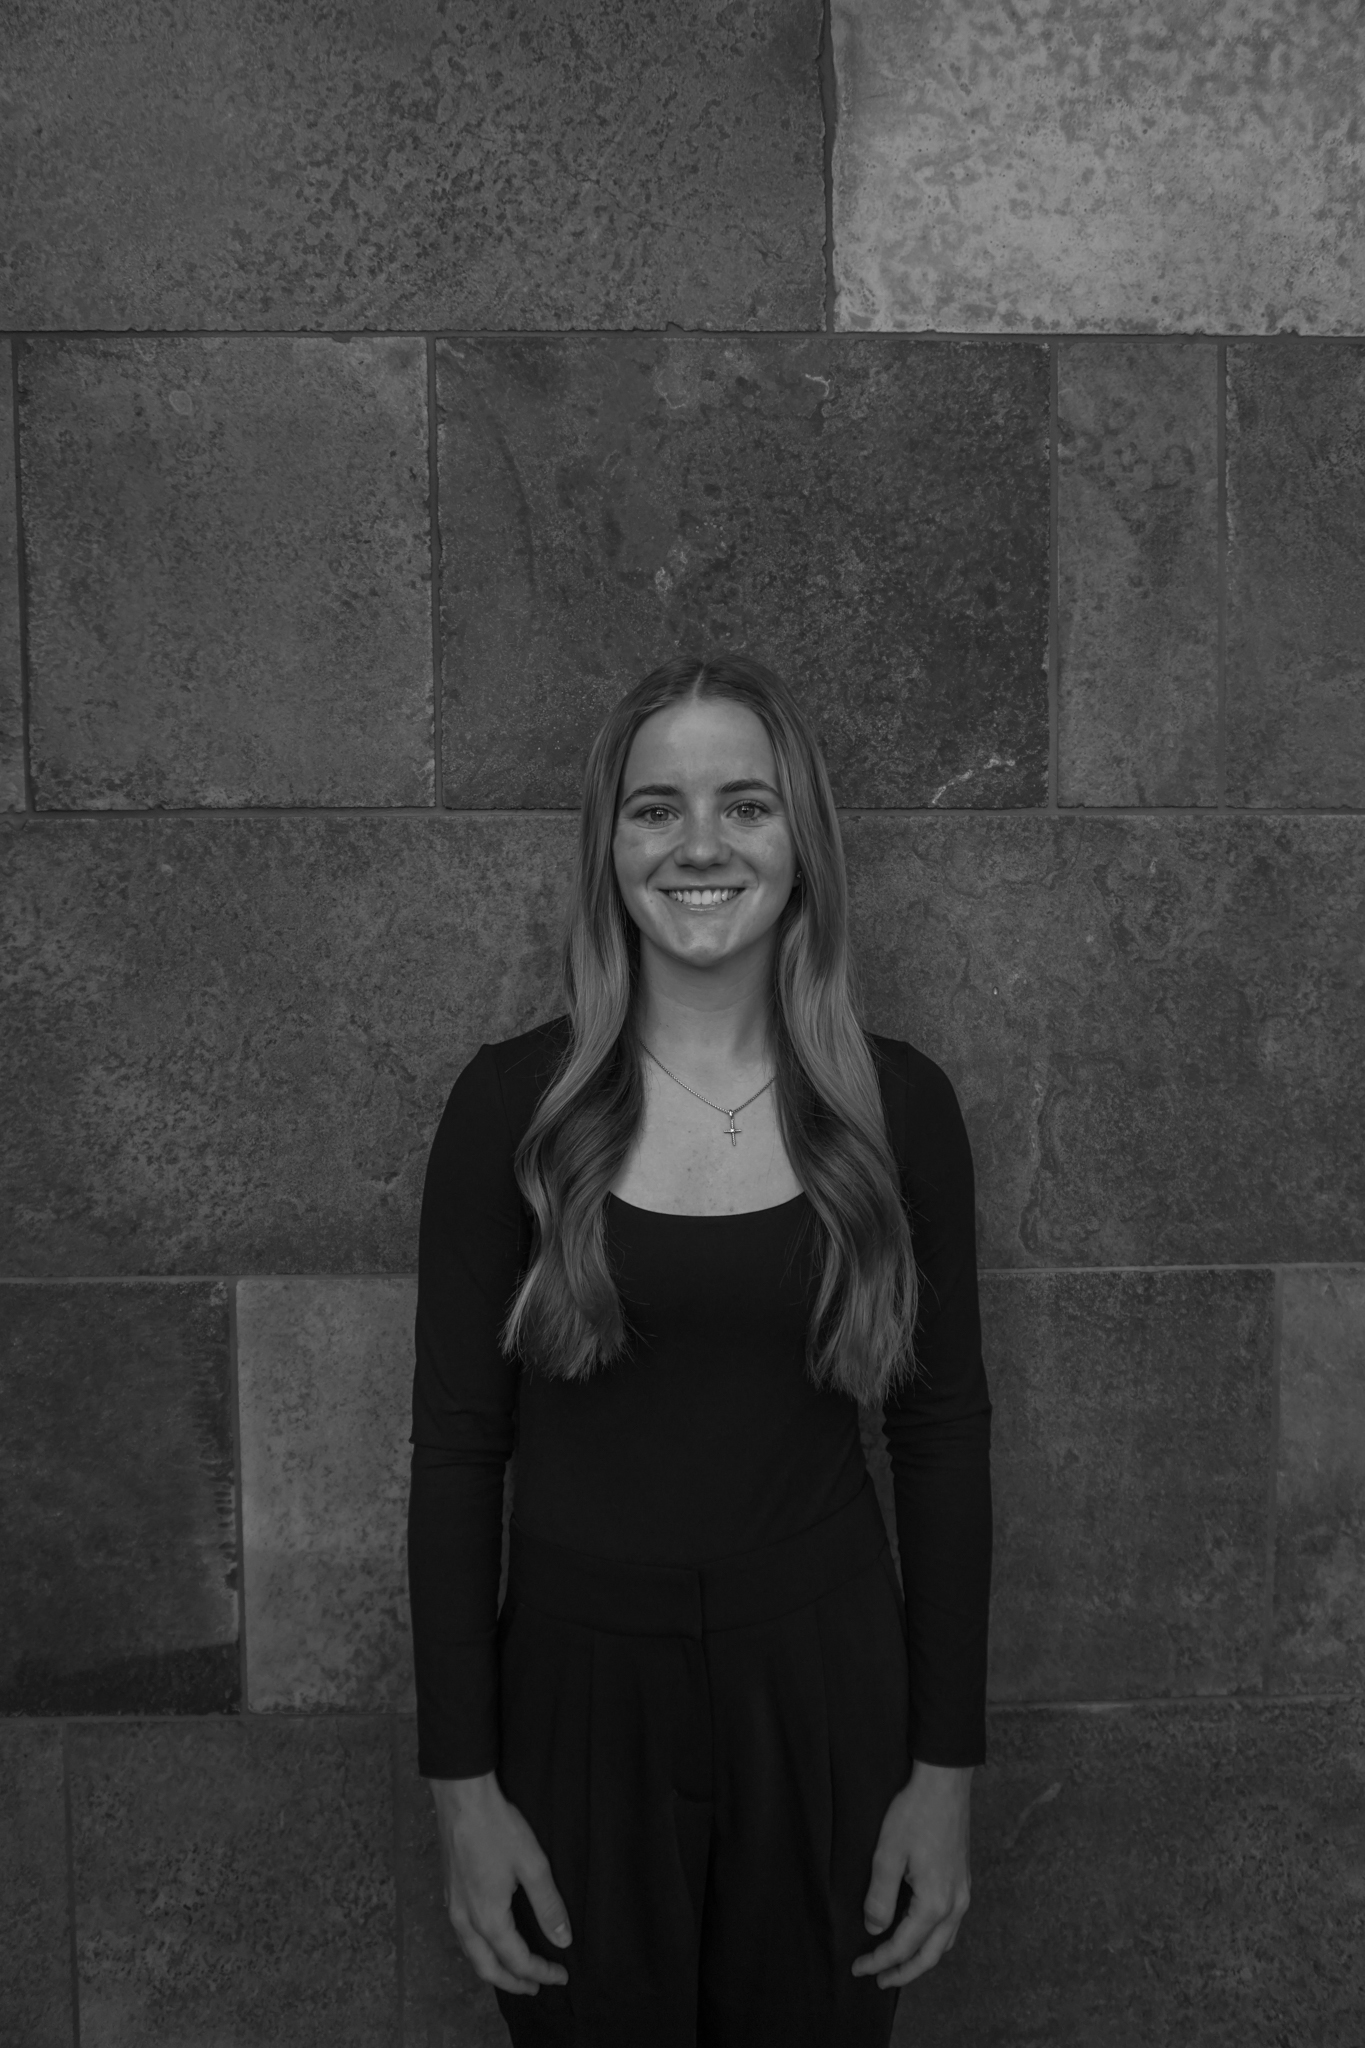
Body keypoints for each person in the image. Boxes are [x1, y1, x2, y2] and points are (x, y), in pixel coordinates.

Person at [406, 654, 993, 2048]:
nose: (701, 845)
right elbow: (454, 1453)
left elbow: (942, 1434)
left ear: (801, 846)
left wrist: (944, 1770)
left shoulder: (894, 1105)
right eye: (654, 810)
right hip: (573, 1699)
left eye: (746, 804)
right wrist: (463, 1792)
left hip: (828, 1690)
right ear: (609, 851)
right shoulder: (514, 1107)